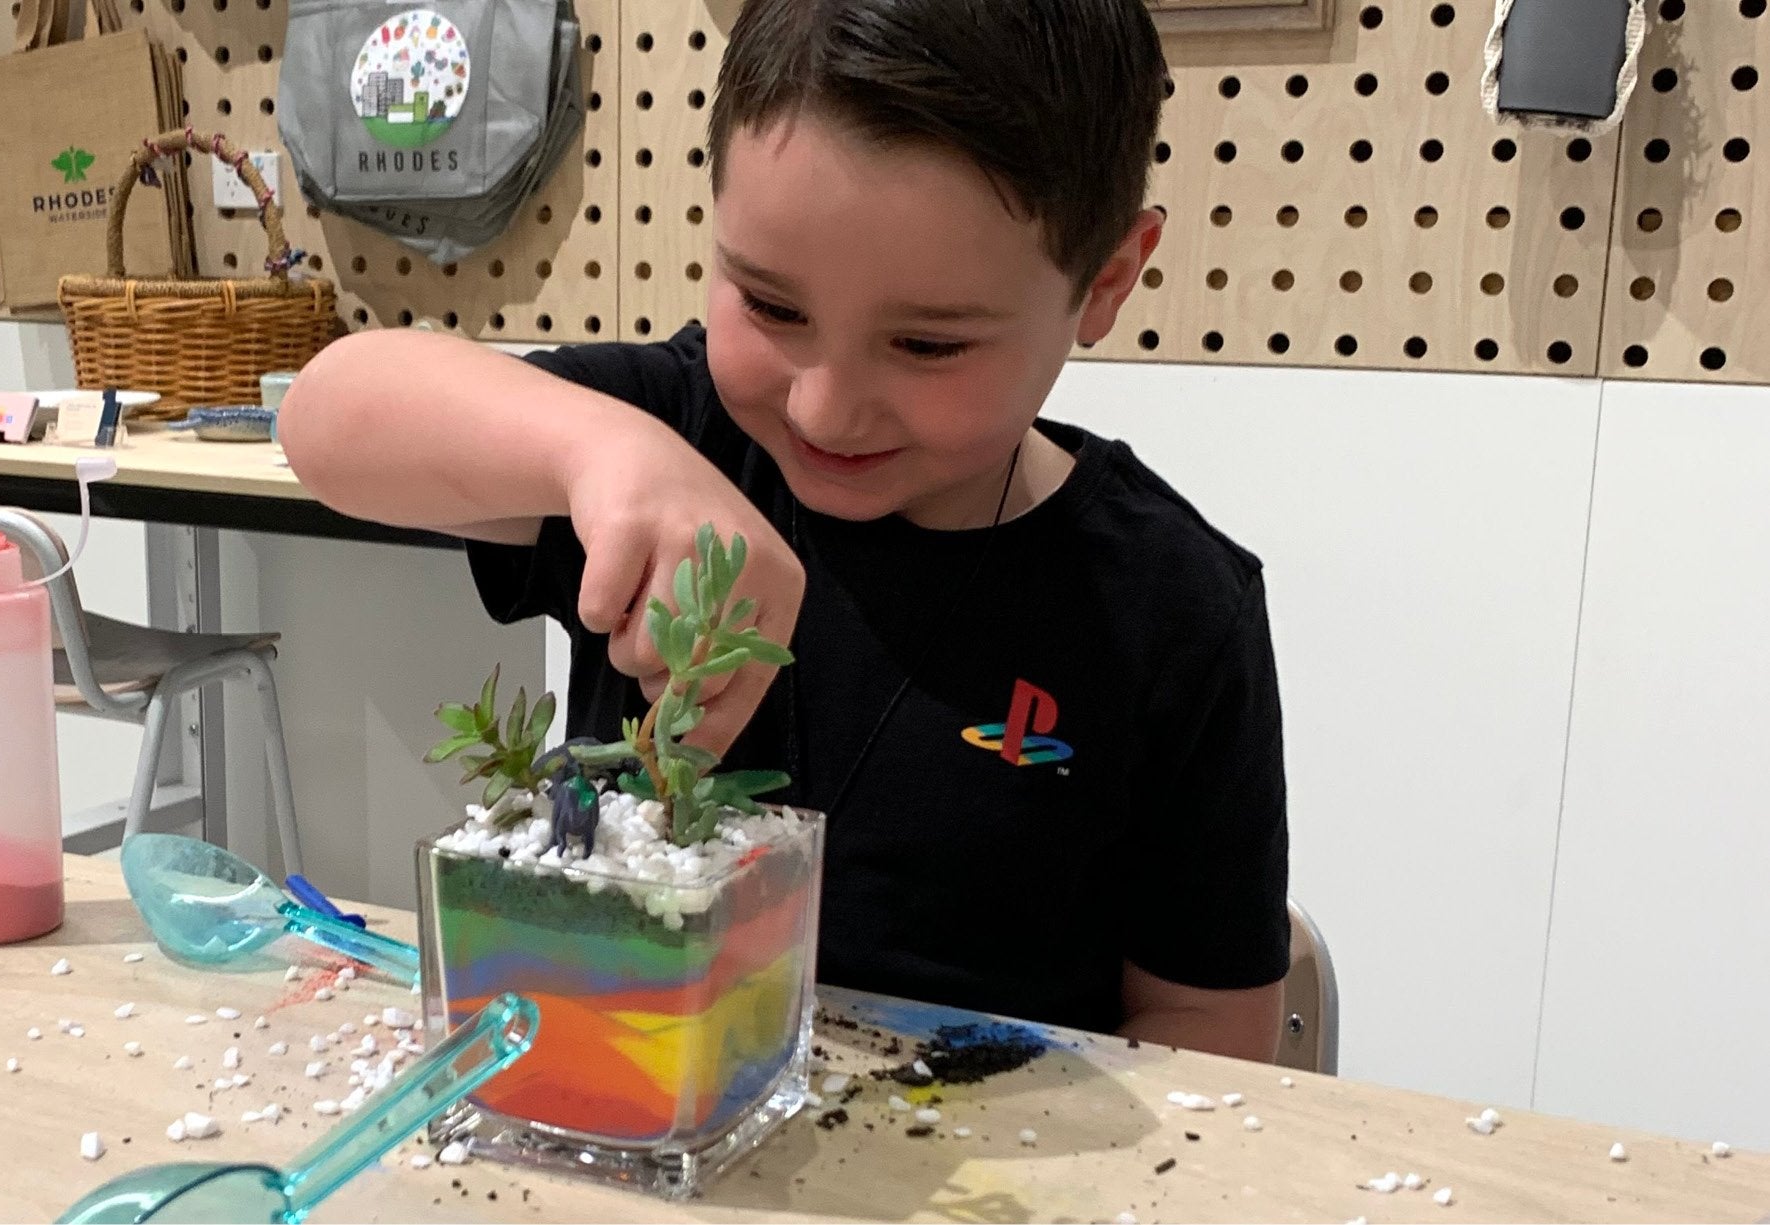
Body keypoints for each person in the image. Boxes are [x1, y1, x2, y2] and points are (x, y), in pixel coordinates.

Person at [281, 0, 1288, 1061]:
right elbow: (329, 419)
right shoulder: (670, 430)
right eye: (769, 305)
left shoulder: (1170, 604)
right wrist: (608, 453)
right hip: (634, 1101)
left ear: (1107, 282)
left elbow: (1210, 1027)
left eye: (927, 344)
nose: (822, 409)